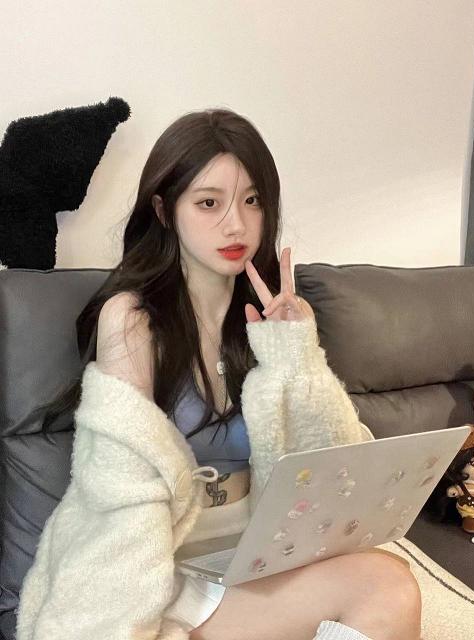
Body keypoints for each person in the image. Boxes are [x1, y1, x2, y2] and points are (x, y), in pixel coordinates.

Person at [16, 108, 421, 640]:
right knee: (385, 587)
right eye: (209, 203)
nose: (236, 224)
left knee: (388, 583)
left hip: (258, 555)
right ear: (164, 210)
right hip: (166, 568)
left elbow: (335, 473)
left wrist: (295, 355)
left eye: (252, 201)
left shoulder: (272, 318)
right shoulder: (133, 319)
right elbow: (121, 490)